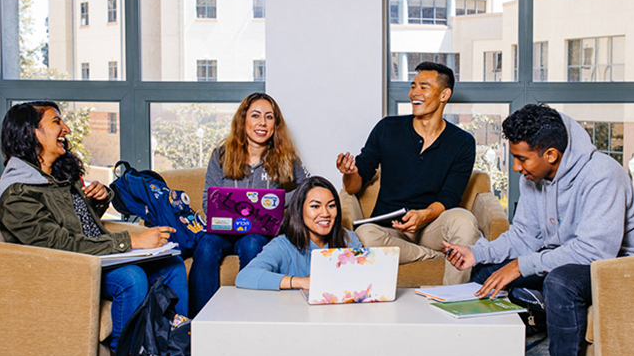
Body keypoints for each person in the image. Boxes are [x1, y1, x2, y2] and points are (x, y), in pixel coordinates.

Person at [443, 103, 634, 356]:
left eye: (522, 159)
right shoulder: (538, 176)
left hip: (626, 272)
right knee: (486, 274)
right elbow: (523, 235)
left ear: (550, 154)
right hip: (576, 262)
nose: (516, 168)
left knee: (560, 282)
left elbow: (594, 251)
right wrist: (477, 253)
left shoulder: (602, 175)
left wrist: (521, 267)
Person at [0, 101, 189, 353]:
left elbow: (80, 226)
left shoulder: (56, 177)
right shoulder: (17, 193)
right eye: (56, 122)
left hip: (94, 260)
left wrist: (98, 202)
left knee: (173, 267)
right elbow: (58, 245)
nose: (66, 129)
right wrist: (132, 242)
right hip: (64, 271)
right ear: (31, 132)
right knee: (130, 278)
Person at [336, 61, 481, 285]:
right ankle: (431, 256)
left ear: (444, 94)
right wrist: (349, 172)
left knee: (464, 219)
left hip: (432, 227)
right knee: (364, 234)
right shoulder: (387, 128)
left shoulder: (462, 142)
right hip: (389, 230)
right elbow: (354, 186)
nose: (415, 93)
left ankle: (454, 298)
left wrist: (424, 215)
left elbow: (449, 197)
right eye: (413, 86)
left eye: (424, 87)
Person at [189, 93, 310, 311]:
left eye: (269, 117)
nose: (262, 123)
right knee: (206, 245)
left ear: (276, 124)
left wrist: (279, 201)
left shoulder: (286, 157)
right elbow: (208, 203)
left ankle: (252, 315)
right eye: (255, 115)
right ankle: (200, 320)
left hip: (259, 232)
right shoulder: (221, 155)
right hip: (223, 231)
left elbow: (309, 189)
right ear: (243, 120)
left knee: (252, 243)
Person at [235, 176, 362, 290]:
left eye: (331, 206)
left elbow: (366, 276)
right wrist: (302, 282)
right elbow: (245, 276)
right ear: (299, 210)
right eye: (315, 206)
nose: (325, 214)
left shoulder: (349, 239)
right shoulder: (282, 245)